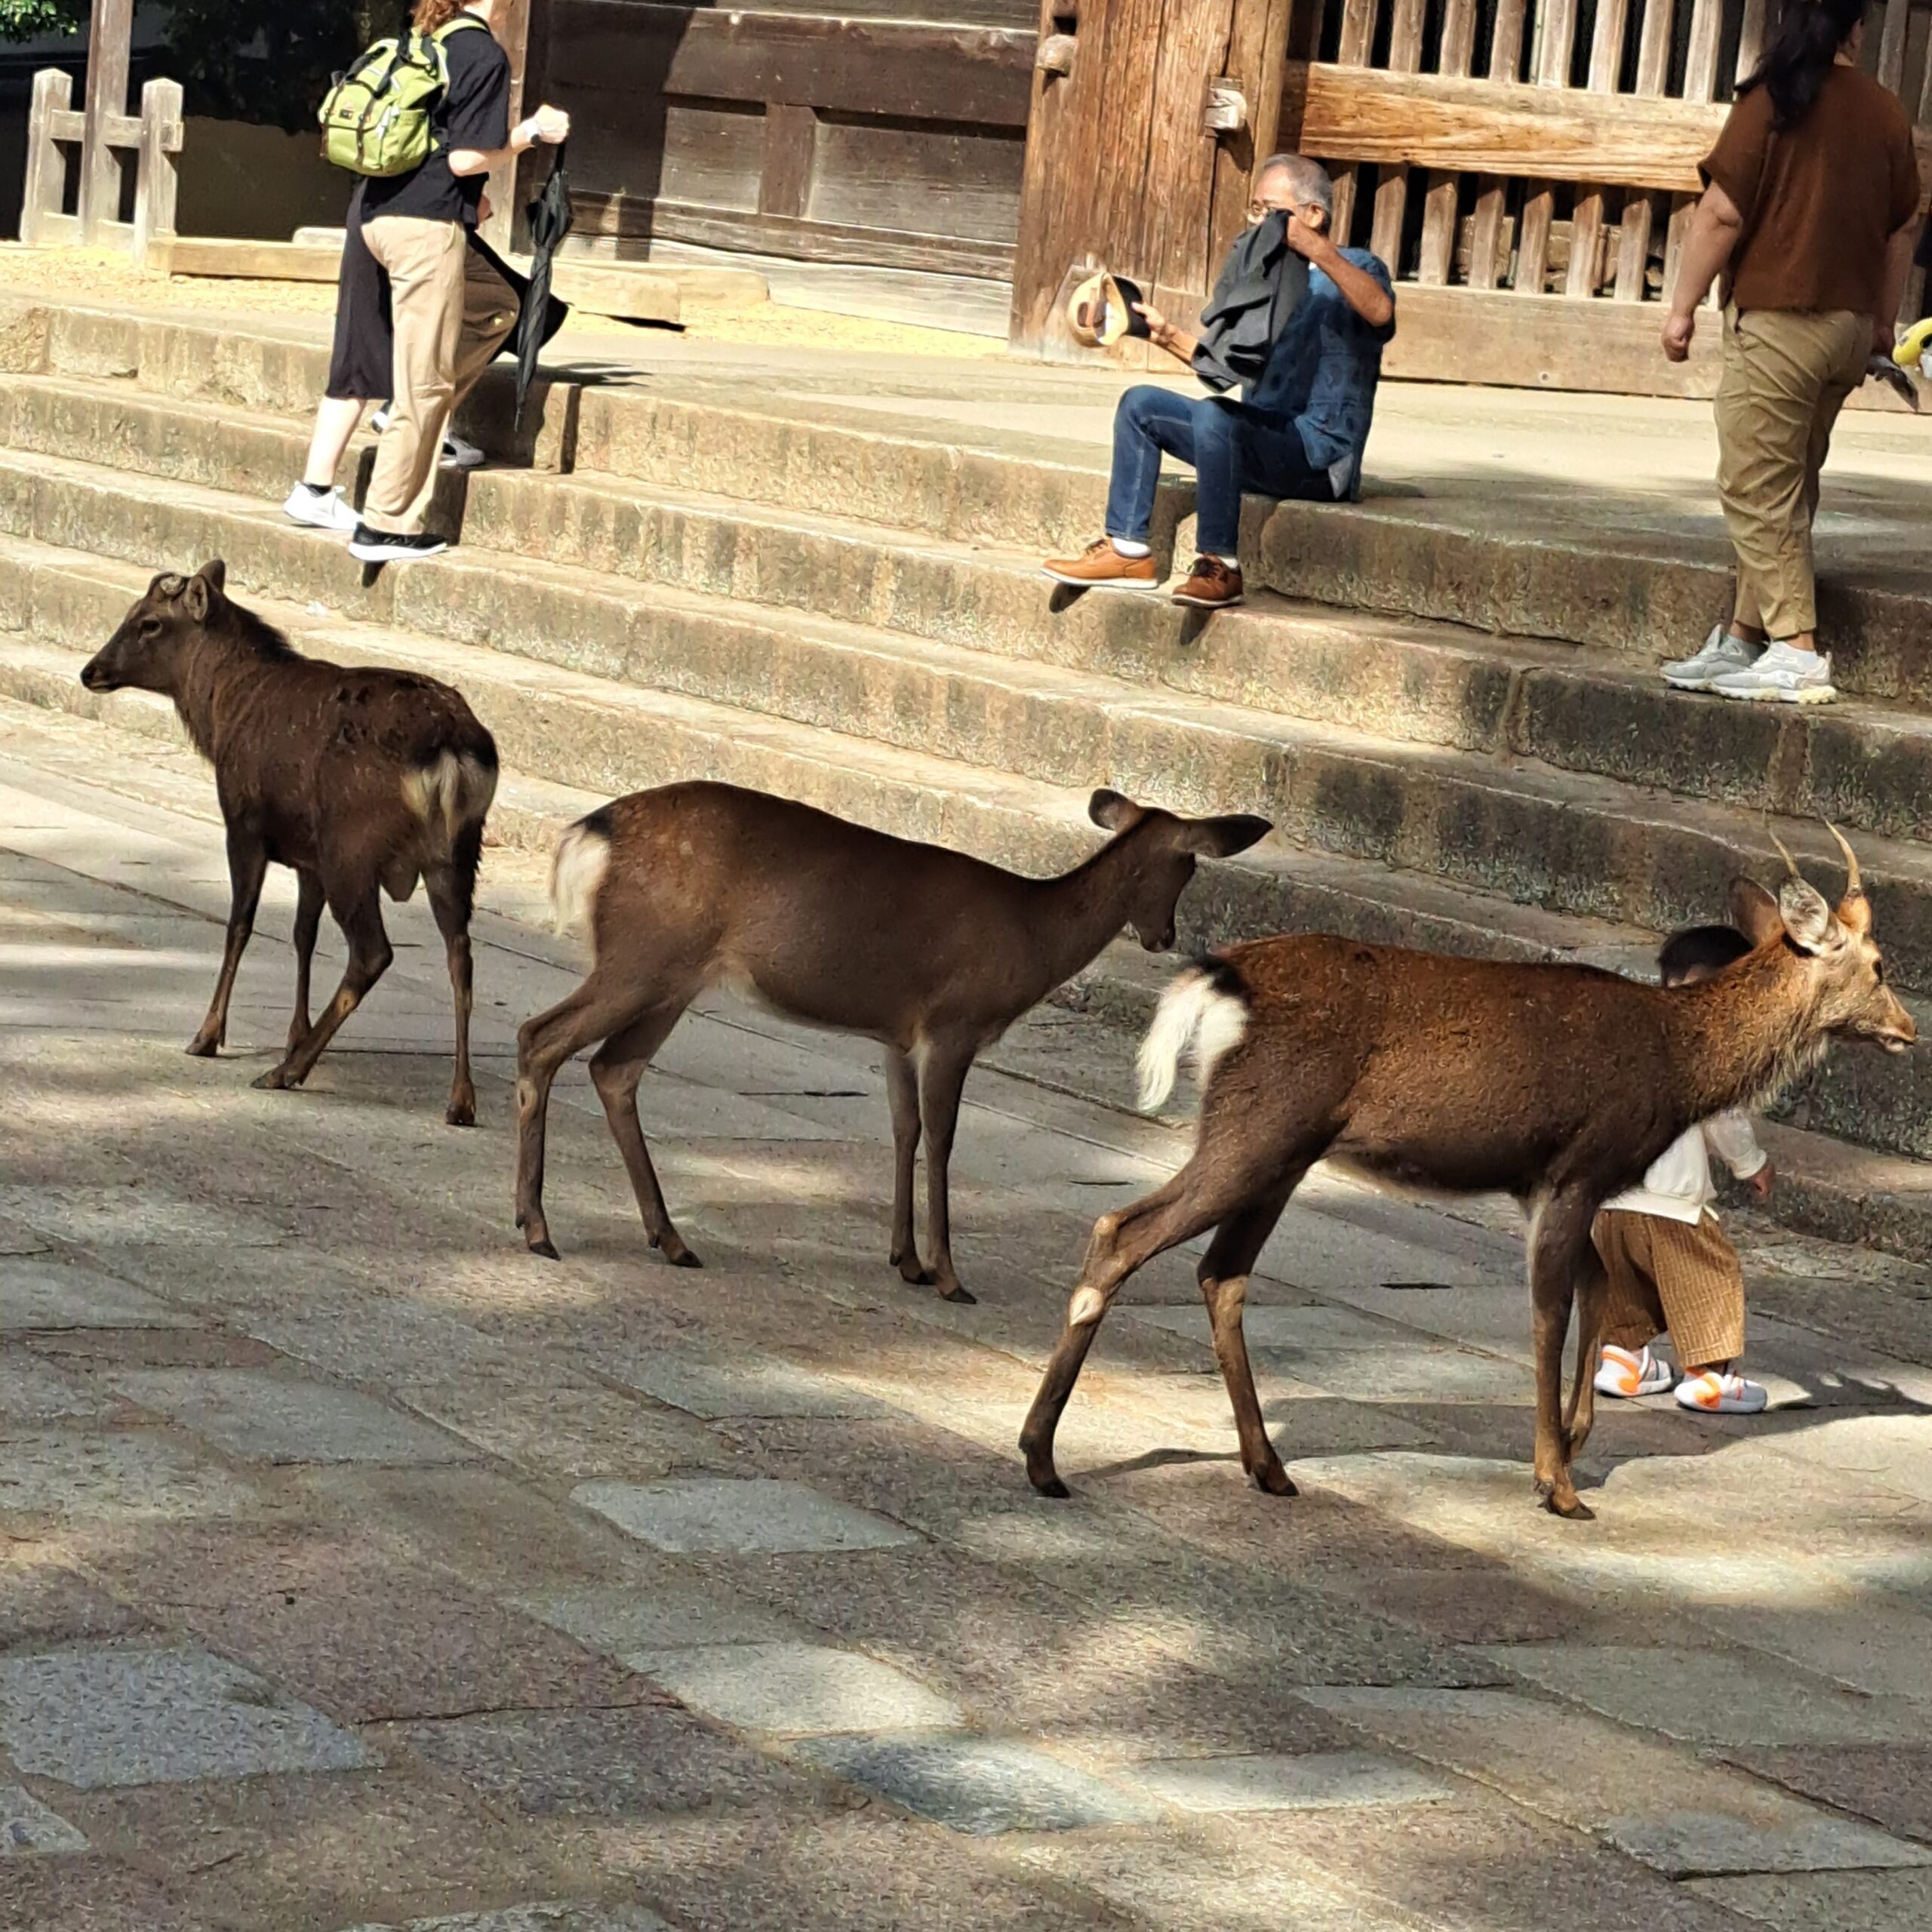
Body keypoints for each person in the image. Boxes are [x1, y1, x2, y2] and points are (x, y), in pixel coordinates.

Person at [1660, 0, 1921, 706]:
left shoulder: (1772, 99)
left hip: (1779, 323)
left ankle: (1796, 649)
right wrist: (1882, 321)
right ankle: (1746, 637)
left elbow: (1721, 212)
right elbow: (1903, 228)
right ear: (1853, 29)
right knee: (1788, 483)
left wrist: (1682, 307)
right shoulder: (1886, 113)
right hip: (1847, 331)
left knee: (1751, 484)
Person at [1042, 153, 1395, 612]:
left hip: (1318, 456)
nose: (1260, 222)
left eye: (1271, 211)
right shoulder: (1265, 279)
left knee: (1216, 416)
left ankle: (1220, 565)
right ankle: (1127, 552)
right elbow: (1222, 370)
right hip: (1254, 440)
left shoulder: (1359, 265)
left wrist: (1315, 250)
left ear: (1313, 215)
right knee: (1140, 406)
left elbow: (1380, 312)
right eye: (1255, 210)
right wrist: (1164, 335)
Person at [291, 0, 569, 565]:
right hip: (424, 230)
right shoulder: (482, 53)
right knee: (425, 382)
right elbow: (465, 158)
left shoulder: (423, 41)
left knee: (497, 304)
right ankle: (385, 525)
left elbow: (429, 141)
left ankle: (351, 464)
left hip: (372, 215)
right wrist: (530, 134)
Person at [1592, 924, 1776, 1415]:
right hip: (1673, 1205)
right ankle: (1710, 1378)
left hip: (1611, 1203)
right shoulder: (1703, 1046)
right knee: (1709, 1278)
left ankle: (1623, 1361)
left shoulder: (1626, 1040)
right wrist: (1751, 1164)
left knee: (1625, 1284)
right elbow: (1721, 1116)